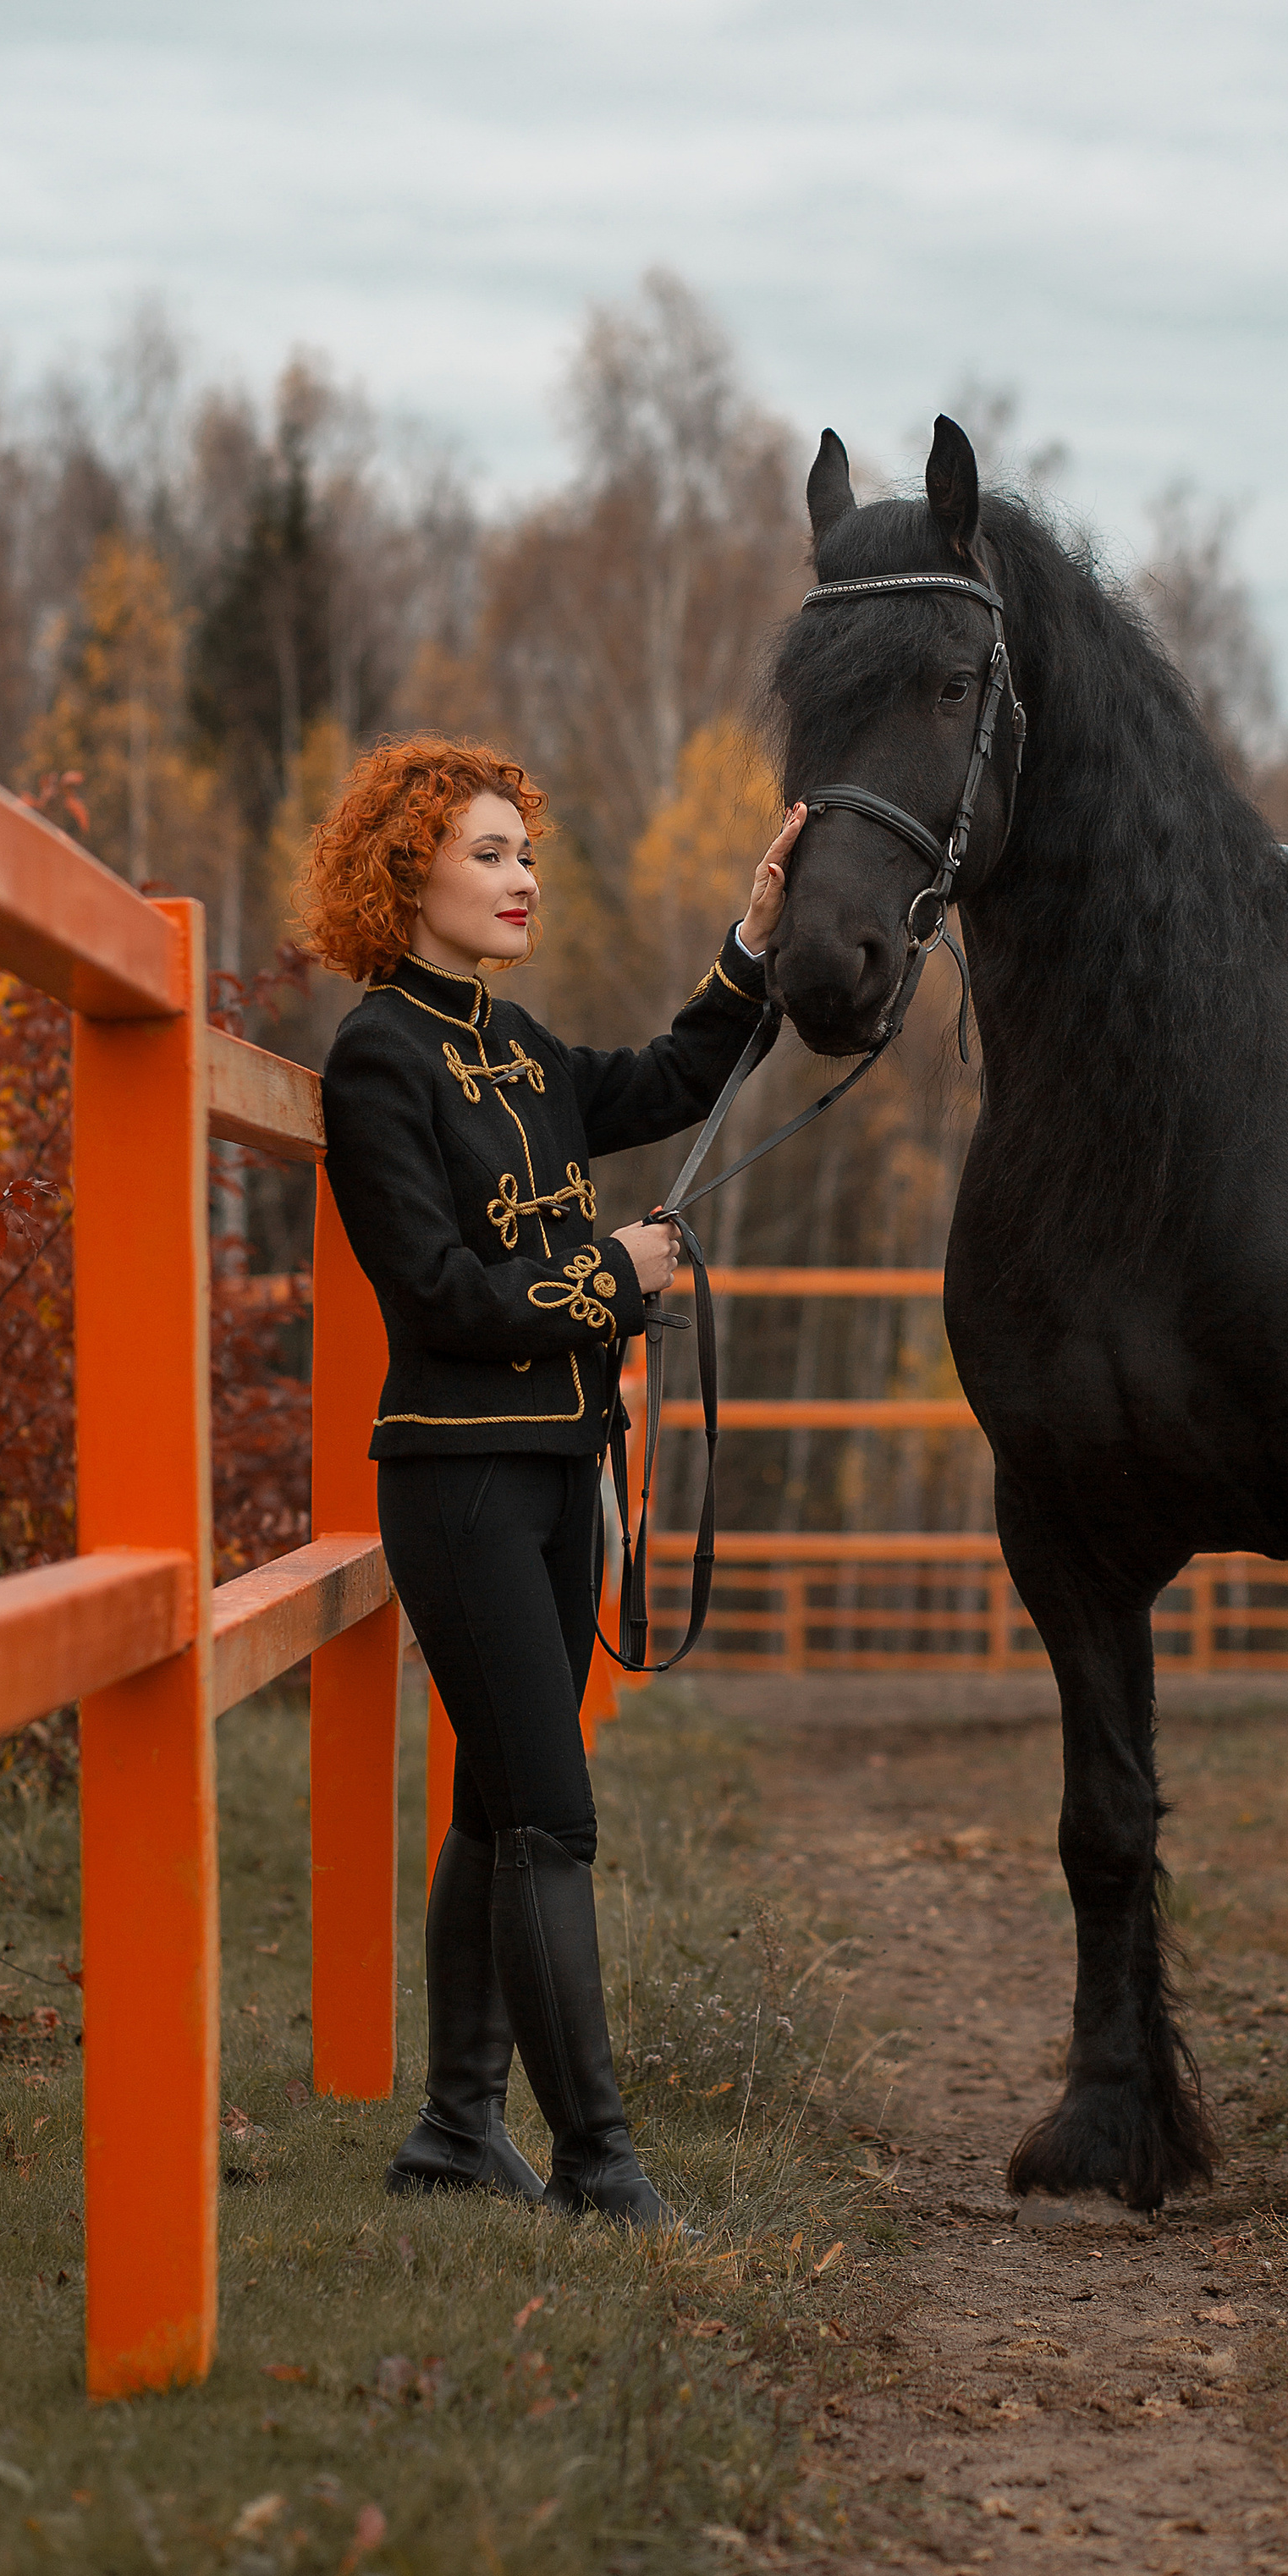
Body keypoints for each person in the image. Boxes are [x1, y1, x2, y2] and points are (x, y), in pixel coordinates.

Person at [295, 734, 803, 2228]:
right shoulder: (379, 1056)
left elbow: (676, 1073)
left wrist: (756, 940)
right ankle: (598, 2161)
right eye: (488, 854)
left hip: (561, 1473)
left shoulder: (518, 1049)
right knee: (551, 1817)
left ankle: (458, 2129)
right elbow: (437, 1293)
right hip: (457, 1483)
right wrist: (612, 1276)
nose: (523, 880)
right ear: (409, 875)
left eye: (525, 854)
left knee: (496, 1797)